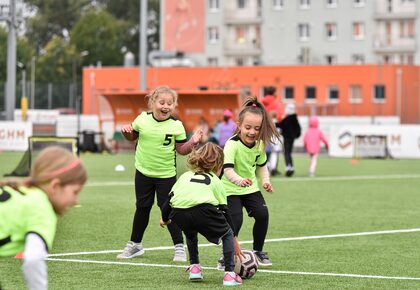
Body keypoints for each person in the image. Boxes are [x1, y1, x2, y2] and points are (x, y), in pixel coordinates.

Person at [117, 85, 203, 262]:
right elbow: (132, 136)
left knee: (169, 210)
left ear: (174, 106)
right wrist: (126, 132)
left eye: (170, 103)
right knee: (142, 207)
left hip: (166, 175)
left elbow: (181, 149)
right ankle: (135, 245)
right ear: (152, 102)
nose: (166, 106)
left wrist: (193, 142)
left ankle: (179, 246)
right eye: (162, 102)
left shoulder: (176, 125)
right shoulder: (142, 119)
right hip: (143, 172)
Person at [0, 146, 87, 290]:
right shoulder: (42, 208)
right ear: (55, 186)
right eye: (75, 192)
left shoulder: (21, 191)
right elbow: (33, 259)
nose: (76, 201)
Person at [160, 142, 244, 286]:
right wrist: (234, 237)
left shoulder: (185, 176)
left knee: (190, 233)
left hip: (179, 212)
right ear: (218, 165)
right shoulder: (215, 181)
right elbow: (225, 210)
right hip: (203, 210)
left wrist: (165, 218)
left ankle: (195, 269)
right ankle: (230, 274)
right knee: (227, 234)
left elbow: (168, 201)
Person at [220, 96, 281, 267]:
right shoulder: (231, 144)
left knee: (262, 215)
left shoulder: (259, 144)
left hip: (250, 188)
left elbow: (261, 166)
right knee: (235, 221)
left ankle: (258, 251)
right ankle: (226, 256)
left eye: (257, 128)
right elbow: (227, 169)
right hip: (230, 189)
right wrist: (239, 181)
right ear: (239, 125)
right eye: (248, 127)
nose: (252, 132)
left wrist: (266, 181)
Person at [278, 103, 301, 177]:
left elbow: (281, 125)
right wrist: (296, 135)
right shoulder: (295, 118)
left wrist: (272, 123)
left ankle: (288, 167)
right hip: (291, 138)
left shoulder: (288, 119)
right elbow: (298, 129)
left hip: (287, 137)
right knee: (289, 152)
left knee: (286, 152)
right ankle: (291, 166)